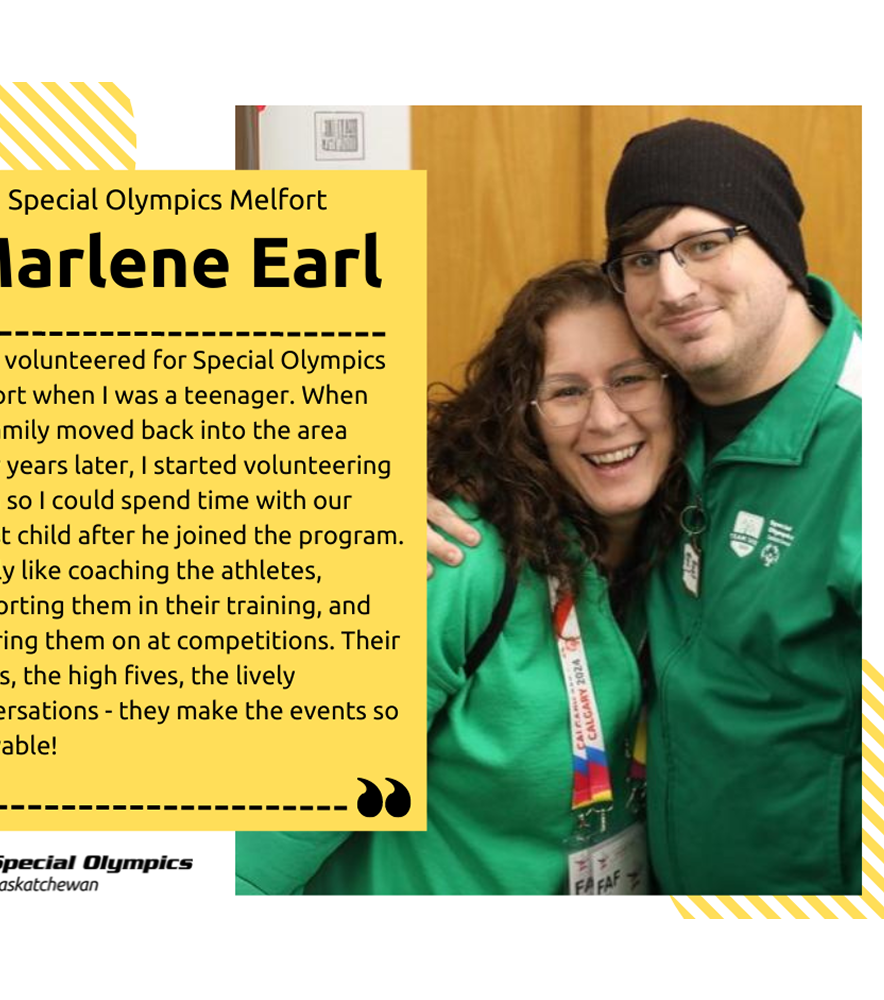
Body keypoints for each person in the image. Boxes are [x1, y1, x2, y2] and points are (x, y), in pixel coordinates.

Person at [428, 119, 862, 895]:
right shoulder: (662, 442)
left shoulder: (860, 445)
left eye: (705, 243)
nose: (674, 286)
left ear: (780, 248)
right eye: (641, 258)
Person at [237, 261, 686, 894]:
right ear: (522, 419)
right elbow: (263, 838)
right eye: (565, 392)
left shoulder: (691, 553)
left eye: (631, 379)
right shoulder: (457, 560)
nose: (607, 419)